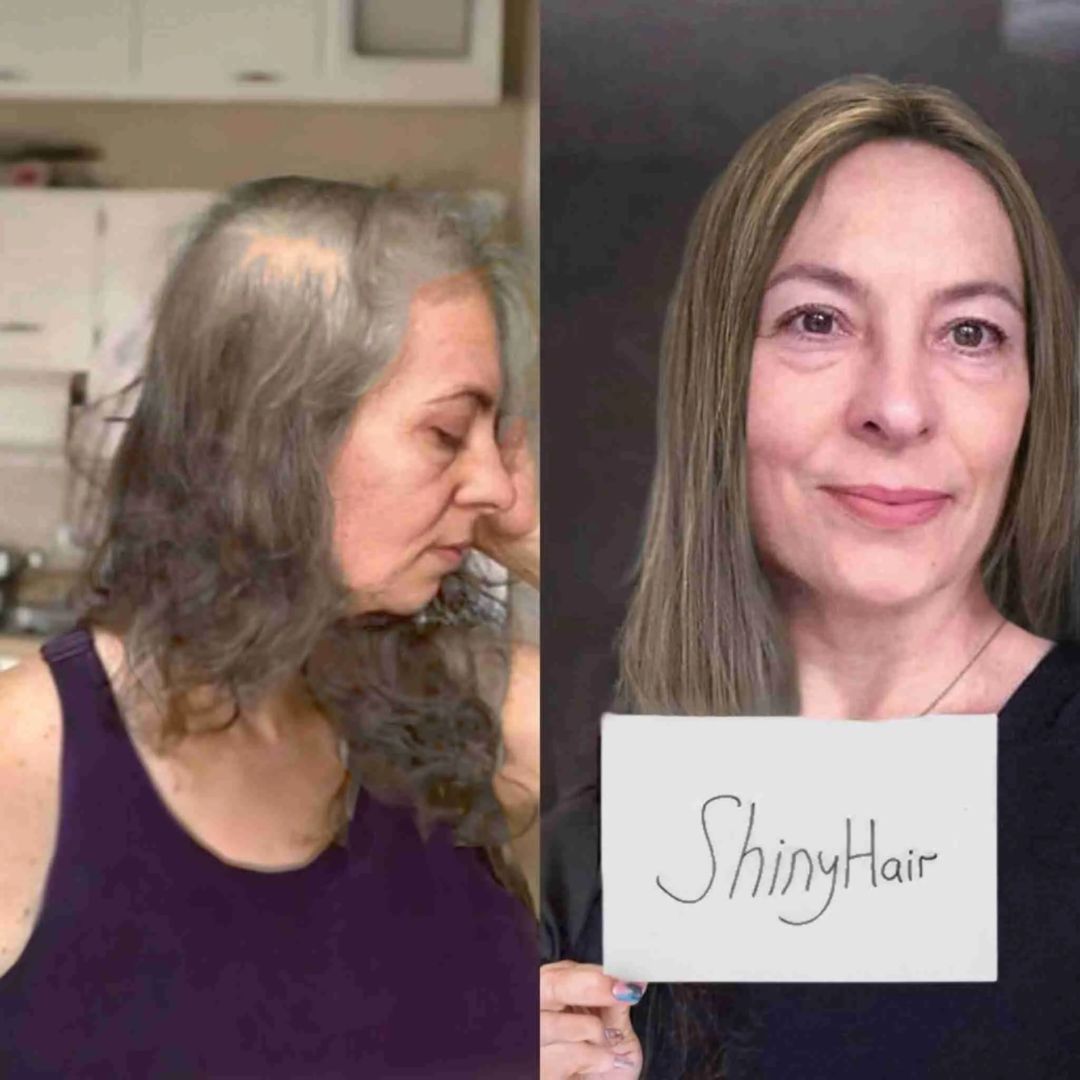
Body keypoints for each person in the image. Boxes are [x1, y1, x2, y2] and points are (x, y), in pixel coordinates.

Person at [540, 75, 1080, 1079]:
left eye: (971, 333)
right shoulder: (583, 854)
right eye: (819, 321)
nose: (898, 409)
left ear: (1031, 396)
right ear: (720, 377)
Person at [0, 177, 540, 1077]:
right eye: (447, 434)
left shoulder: (453, 706)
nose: (494, 486)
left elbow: (766, 814)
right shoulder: (29, 755)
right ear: (277, 438)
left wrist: (542, 546)